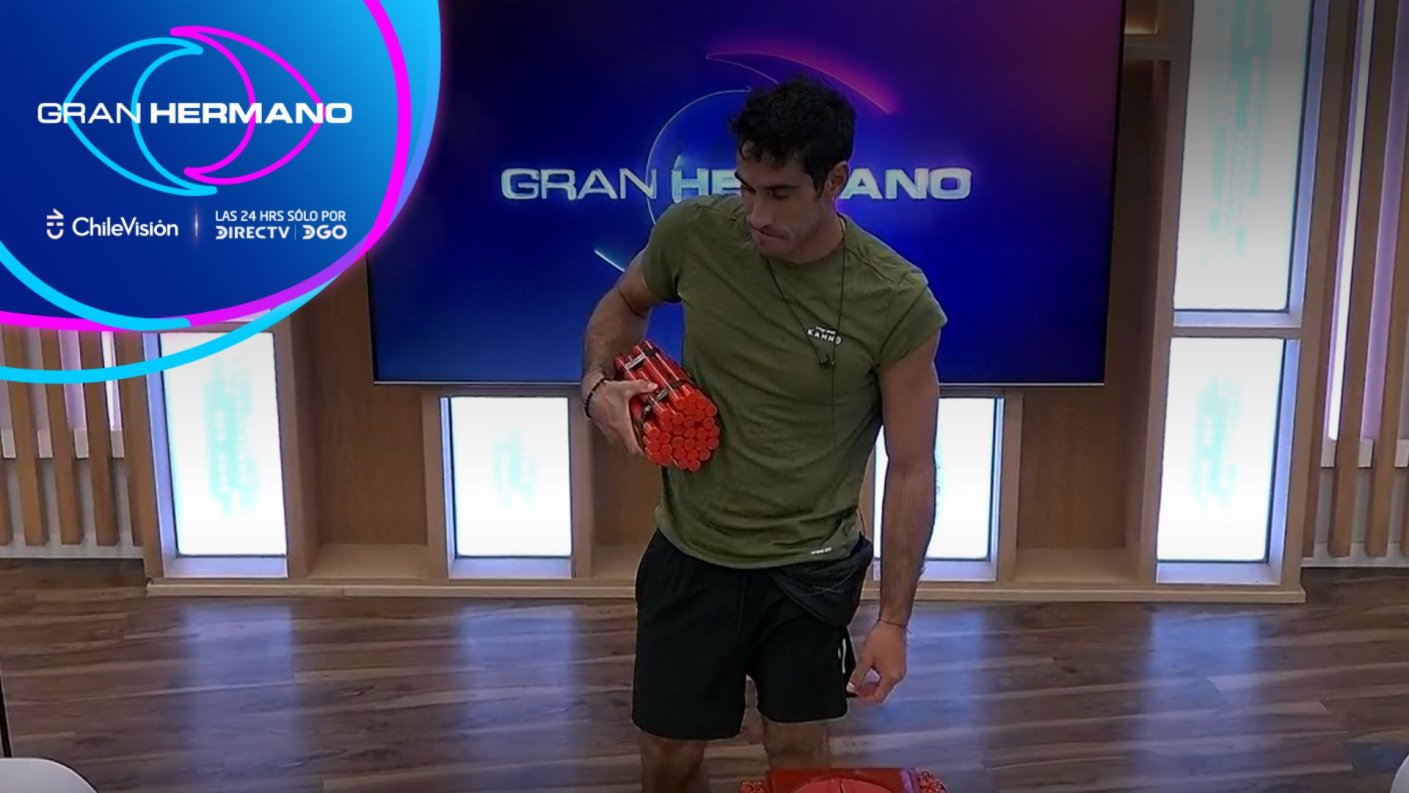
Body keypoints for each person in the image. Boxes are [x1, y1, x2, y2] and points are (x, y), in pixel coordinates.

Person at [580, 75, 947, 793]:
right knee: (668, 757)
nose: (756, 213)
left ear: (834, 181)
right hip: (692, 554)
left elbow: (911, 467)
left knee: (798, 752)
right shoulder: (694, 232)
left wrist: (894, 622)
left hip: (810, 569)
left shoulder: (895, 299)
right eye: (746, 188)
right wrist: (597, 386)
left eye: (779, 193)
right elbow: (623, 301)